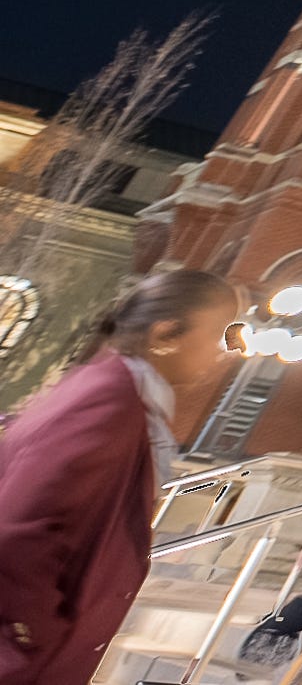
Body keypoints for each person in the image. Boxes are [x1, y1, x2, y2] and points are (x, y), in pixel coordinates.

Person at [0, 268, 240, 685]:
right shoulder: (108, 403)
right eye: (217, 333)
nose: (222, 350)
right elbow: (17, 530)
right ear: (166, 335)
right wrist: (34, 635)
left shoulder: (118, 394)